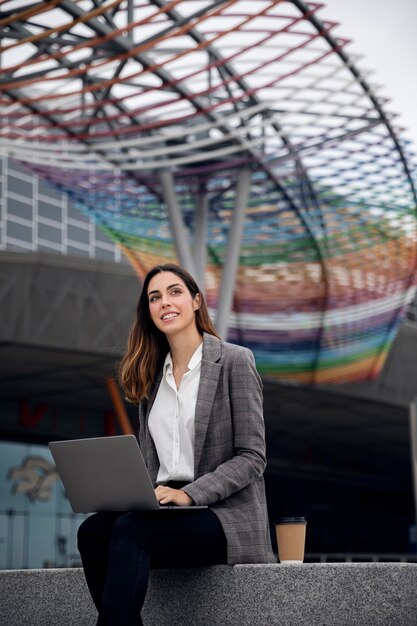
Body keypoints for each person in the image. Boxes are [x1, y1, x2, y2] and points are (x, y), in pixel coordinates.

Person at [77, 263, 274, 625]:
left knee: (132, 530)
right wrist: (130, 493)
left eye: (174, 292)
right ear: (148, 311)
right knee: (92, 532)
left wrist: (191, 495)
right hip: (164, 507)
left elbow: (252, 456)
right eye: (155, 297)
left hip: (222, 514)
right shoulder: (151, 376)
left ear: (196, 301)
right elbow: (154, 465)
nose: (165, 302)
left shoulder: (234, 361)